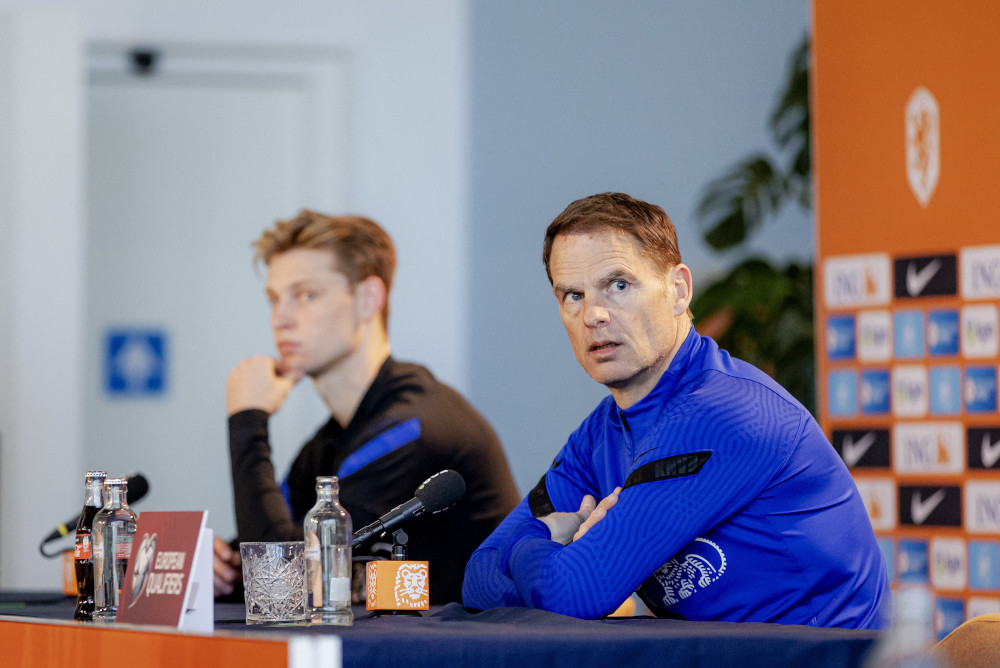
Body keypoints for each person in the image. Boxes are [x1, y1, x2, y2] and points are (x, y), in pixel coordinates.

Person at [462, 192, 887, 627]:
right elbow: (477, 578)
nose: (593, 314)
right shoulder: (602, 434)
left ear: (679, 290)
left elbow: (577, 590)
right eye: (572, 295)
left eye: (619, 285)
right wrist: (548, 550)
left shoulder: (727, 412)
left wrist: (536, 539)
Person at [215, 210, 519, 604]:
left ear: (367, 300)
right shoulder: (333, 440)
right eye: (274, 299)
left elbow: (281, 586)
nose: (281, 318)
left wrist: (247, 422)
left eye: (306, 295)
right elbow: (264, 549)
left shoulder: (413, 429)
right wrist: (219, 566)